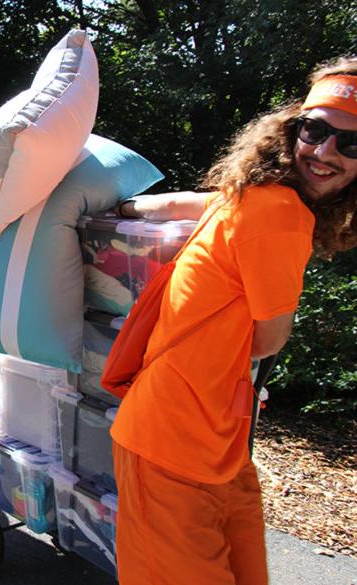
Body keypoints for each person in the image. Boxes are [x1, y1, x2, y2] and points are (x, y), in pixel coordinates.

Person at [109, 56, 357, 585]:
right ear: (294, 127)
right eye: (314, 130)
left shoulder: (255, 196)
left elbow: (188, 203)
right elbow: (270, 338)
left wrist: (128, 210)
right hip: (181, 439)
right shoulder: (281, 214)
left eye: (351, 143)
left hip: (203, 434)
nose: (324, 151)